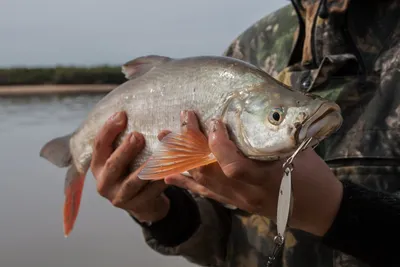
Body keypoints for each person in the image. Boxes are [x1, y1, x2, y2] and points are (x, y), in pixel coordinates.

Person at [90, 0, 400, 267]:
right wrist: (161, 213)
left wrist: (336, 211)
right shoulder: (253, 44)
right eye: (276, 116)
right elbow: (224, 243)